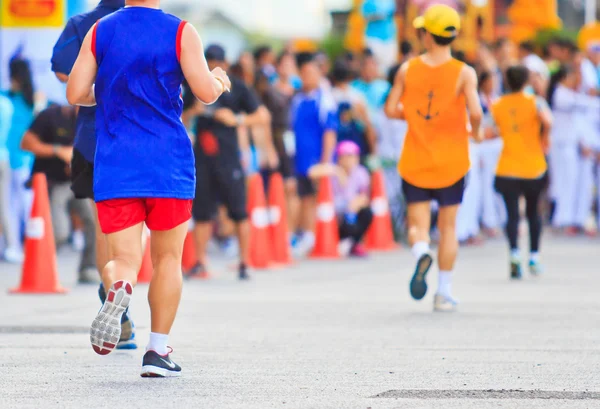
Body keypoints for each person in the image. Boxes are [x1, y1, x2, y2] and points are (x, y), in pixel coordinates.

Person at [67, 0, 231, 377]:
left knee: (123, 260)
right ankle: (157, 351)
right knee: (167, 260)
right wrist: (220, 80)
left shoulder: (100, 30)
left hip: (116, 163)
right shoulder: (181, 31)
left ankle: (119, 285)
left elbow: (75, 92)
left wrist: (105, 94)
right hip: (167, 163)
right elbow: (204, 92)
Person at [384, 4, 484, 312]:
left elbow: (390, 109)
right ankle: (443, 292)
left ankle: (420, 251)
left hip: (415, 160)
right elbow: (477, 112)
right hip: (452, 162)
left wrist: (411, 116)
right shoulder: (464, 72)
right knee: (449, 226)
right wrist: (475, 132)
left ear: (427, 35)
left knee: (418, 223)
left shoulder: (407, 69)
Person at [50, 0, 137, 349]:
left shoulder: (83, 23)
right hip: (140, 139)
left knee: (105, 225)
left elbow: (62, 72)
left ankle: (112, 295)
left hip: (93, 137)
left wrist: (95, 84)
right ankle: (128, 297)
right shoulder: (158, 24)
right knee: (139, 227)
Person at [187, 44, 270, 281]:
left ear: (225, 63)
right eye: (209, 60)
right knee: (201, 213)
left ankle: (244, 262)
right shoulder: (193, 83)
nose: (214, 65)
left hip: (229, 158)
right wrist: (193, 112)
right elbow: (177, 114)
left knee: (239, 211)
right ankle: (200, 261)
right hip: (202, 158)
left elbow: (262, 115)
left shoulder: (236, 86)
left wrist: (236, 118)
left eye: (217, 61)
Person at [20, 104, 97, 282]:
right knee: (60, 231)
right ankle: (39, 267)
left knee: (93, 222)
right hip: (51, 183)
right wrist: (57, 151)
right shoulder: (51, 115)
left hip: (76, 182)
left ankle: (88, 267)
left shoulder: (91, 122)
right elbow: (25, 143)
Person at [488, 65, 552, 278]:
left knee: (512, 215)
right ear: (526, 81)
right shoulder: (536, 102)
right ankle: (534, 256)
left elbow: (488, 130)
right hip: (533, 166)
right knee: (534, 212)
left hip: (507, 166)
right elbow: (548, 121)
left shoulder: (498, 104)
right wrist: (545, 139)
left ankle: (514, 254)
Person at [289, 52, 338, 257]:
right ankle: (301, 235)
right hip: (300, 160)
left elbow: (329, 132)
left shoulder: (325, 99)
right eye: (304, 73)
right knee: (303, 197)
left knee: (315, 198)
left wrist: (325, 161)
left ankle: (313, 236)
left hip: (317, 160)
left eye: (311, 72)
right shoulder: (298, 99)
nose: (307, 76)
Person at [308, 141, 373, 257]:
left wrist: (356, 203)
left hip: (350, 212)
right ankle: (342, 242)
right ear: (339, 158)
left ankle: (353, 243)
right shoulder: (333, 171)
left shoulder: (360, 172)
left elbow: (364, 196)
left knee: (367, 213)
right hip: (335, 215)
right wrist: (337, 171)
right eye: (345, 156)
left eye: (352, 156)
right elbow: (311, 172)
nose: (349, 160)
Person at [3, 58, 35, 264]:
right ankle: (25, 244)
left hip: (14, 155)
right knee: (23, 203)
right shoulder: (30, 98)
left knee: (14, 204)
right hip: (23, 157)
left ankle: (17, 245)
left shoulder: (10, 98)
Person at [477, 71, 505, 237]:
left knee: (498, 184)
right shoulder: (478, 101)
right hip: (482, 146)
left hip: (497, 145)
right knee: (486, 186)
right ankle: (489, 220)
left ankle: (500, 218)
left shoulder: (497, 100)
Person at [361, 0, 398, 76]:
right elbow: (365, 16)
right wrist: (378, 16)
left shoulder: (389, 2)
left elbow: (393, 13)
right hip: (374, 38)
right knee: (374, 64)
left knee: (389, 64)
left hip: (389, 37)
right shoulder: (368, 2)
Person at [0, 94, 14, 260]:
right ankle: (11, 245)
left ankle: (10, 245)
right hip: (4, 156)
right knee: (5, 204)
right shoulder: (6, 103)